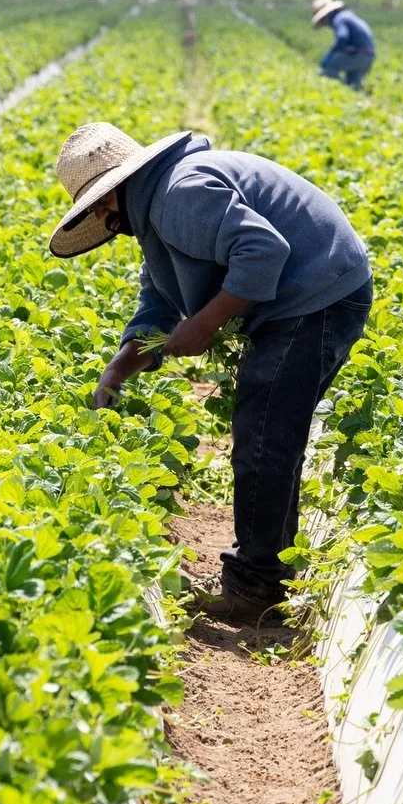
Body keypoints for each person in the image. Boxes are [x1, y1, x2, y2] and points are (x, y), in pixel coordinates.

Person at [48, 122, 372, 625]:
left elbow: (265, 250)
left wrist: (204, 323)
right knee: (271, 431)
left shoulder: (180, 194)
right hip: (311, 293)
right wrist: (118, 368)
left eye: (97, 205)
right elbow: (158, 298)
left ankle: (256, 590)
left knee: (264, 435)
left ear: (112, 193)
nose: (100, 217)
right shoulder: (158, 208)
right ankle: (270, 579)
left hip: (317, 295)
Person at [311, 0, 376, 89]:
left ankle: (340, 89)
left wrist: (331, 54)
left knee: (326, 69)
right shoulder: (348, 16)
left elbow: (342, 37)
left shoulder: (339, 19)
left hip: (358, 55)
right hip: (368, 57)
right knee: (353, 86)